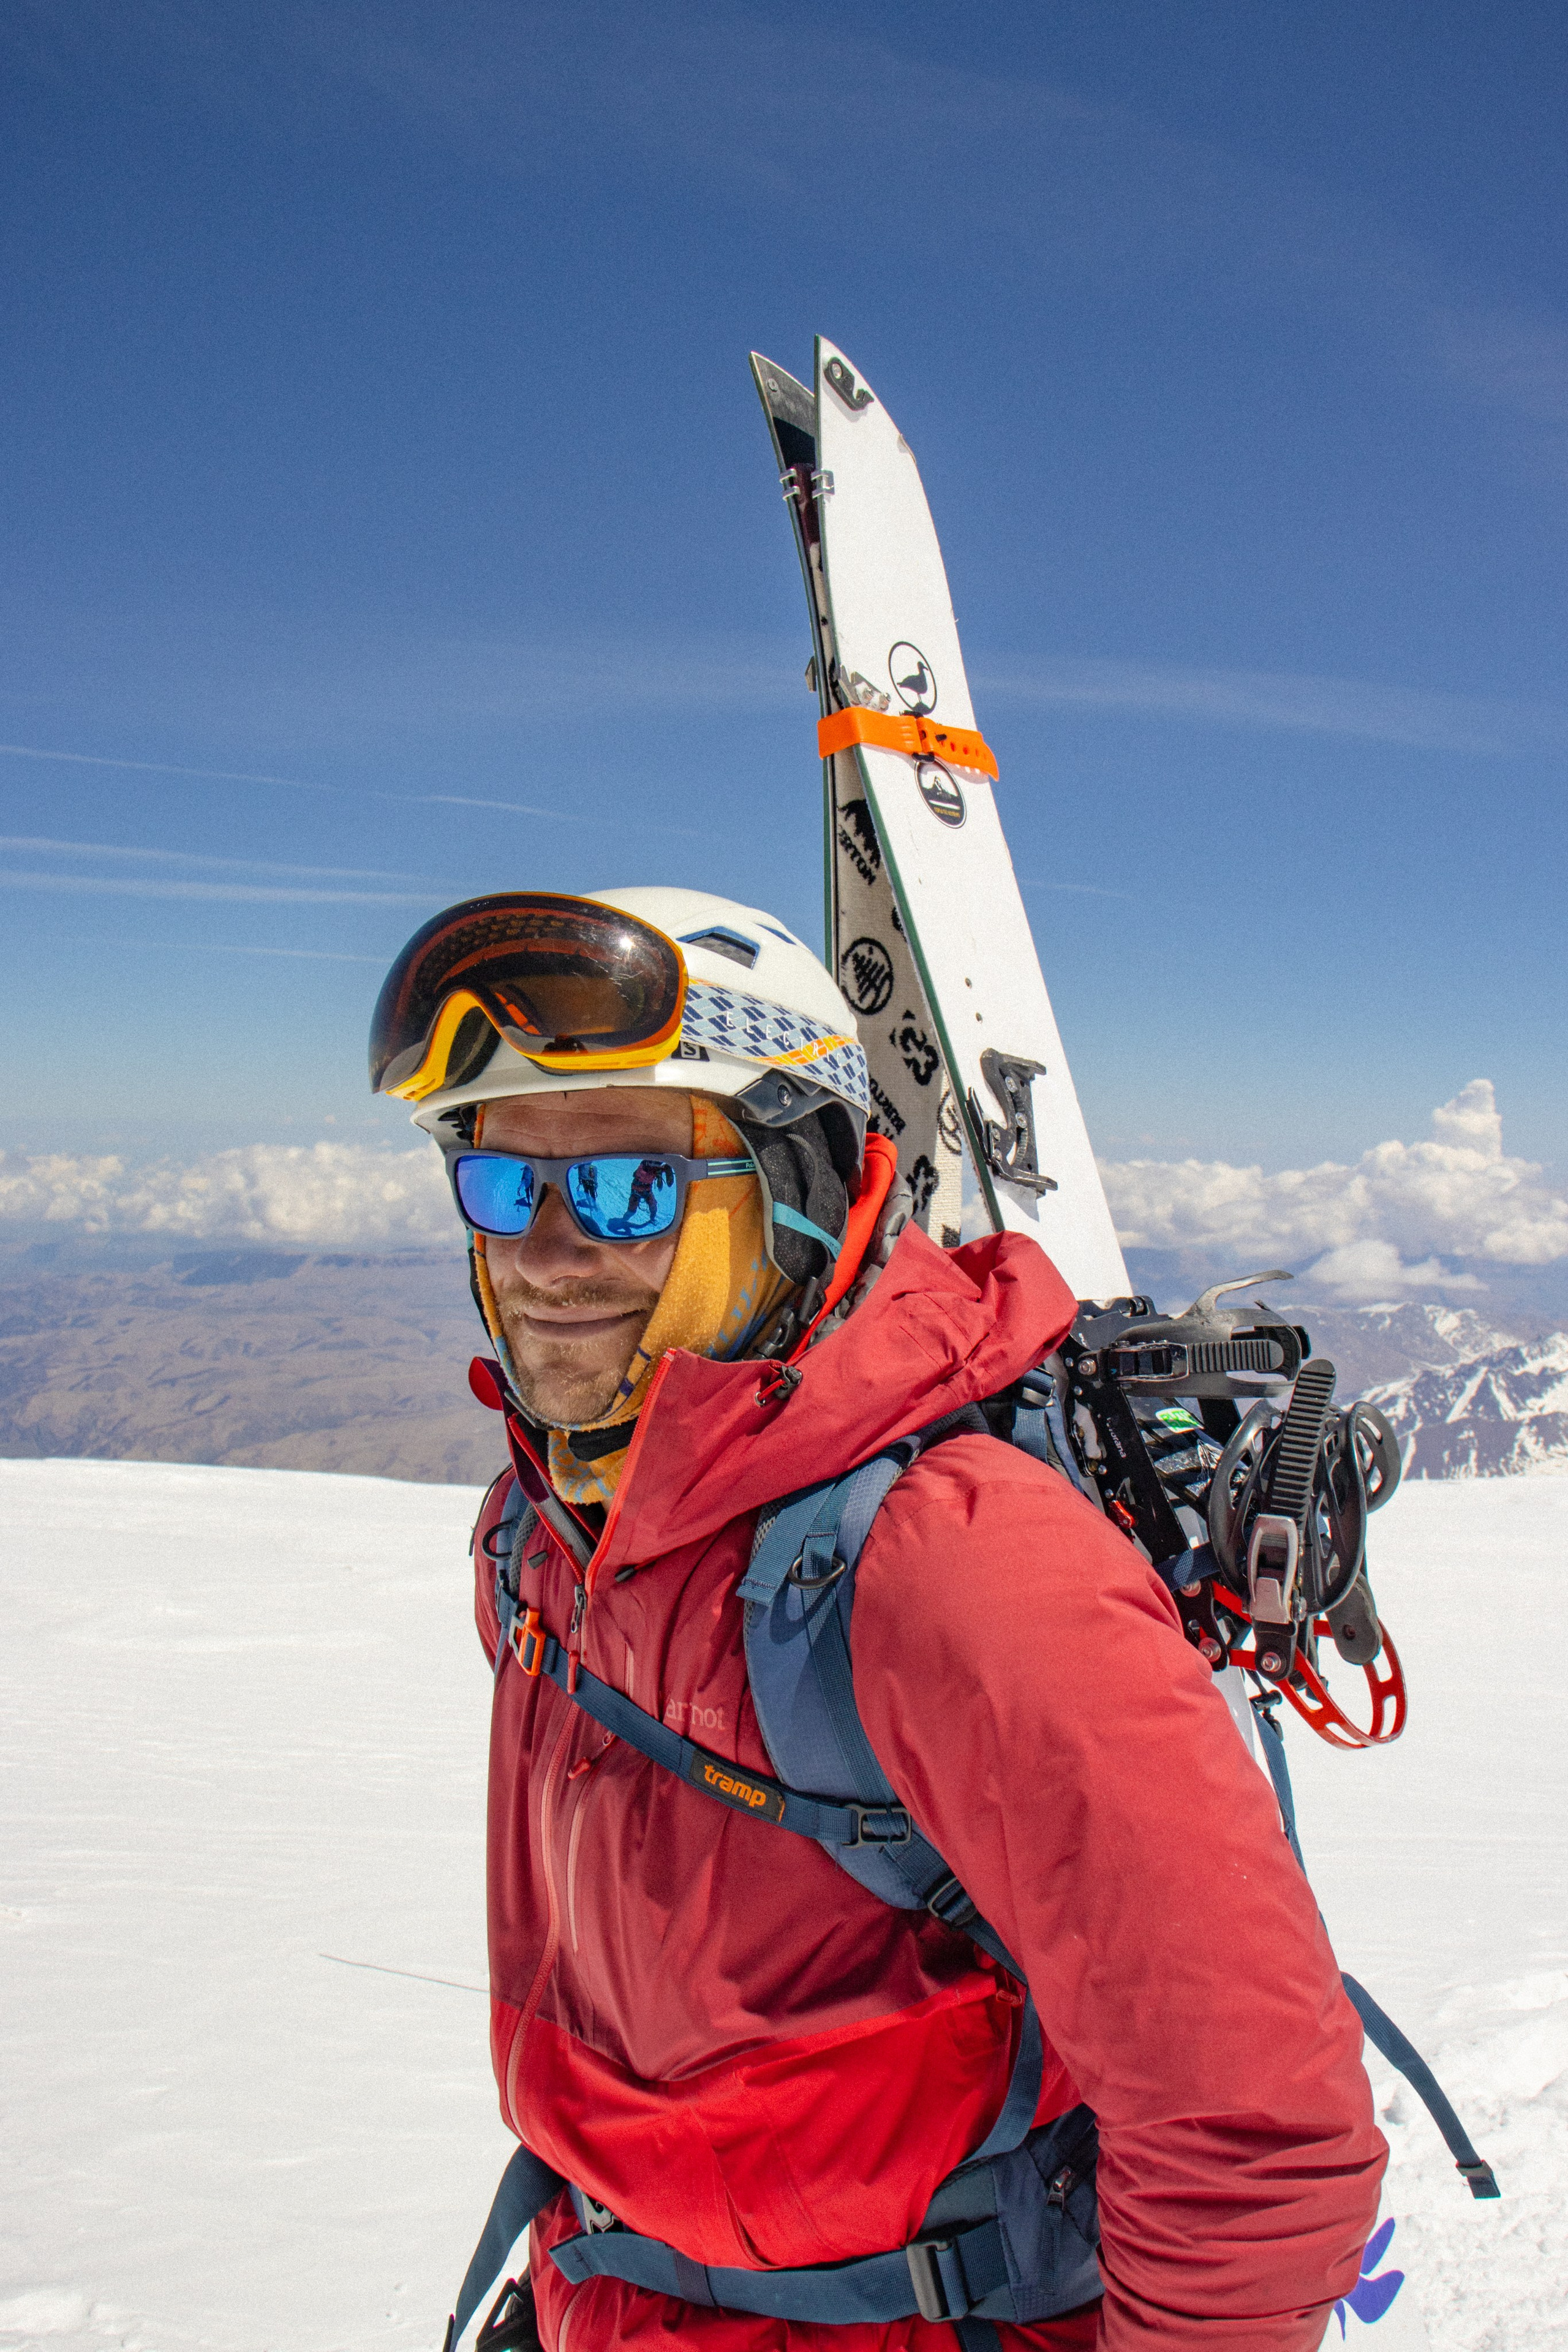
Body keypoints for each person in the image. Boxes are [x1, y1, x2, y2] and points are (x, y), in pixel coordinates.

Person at [370, 884, 1384, 2352]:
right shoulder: (543, 1537)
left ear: (799, 1187)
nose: (542, 1253)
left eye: (625, 1187)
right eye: (501, 1181)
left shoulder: (953, 1569)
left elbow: (1255, 2141)